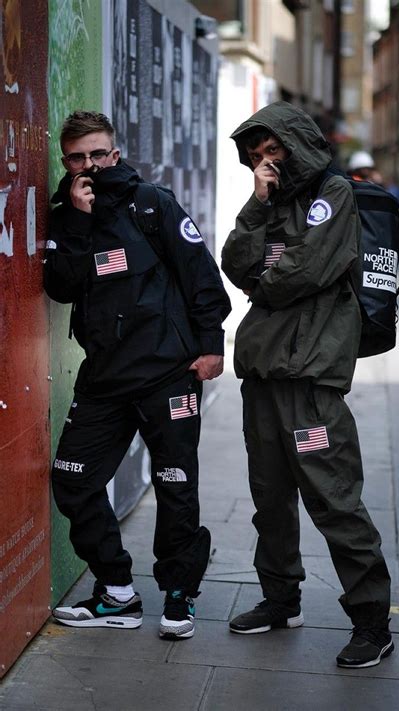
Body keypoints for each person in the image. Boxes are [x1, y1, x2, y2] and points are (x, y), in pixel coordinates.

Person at [44, 111, 231, 639]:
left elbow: (201, 275)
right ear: (66, 161)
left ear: (116, 153)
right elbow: (61, 286)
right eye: (78, 157)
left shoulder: (152, 203)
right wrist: (78, 221)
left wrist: (211, 346)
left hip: (167, 373)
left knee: (174, 483)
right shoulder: (64, 217)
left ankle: (178, 595)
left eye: (98, 154)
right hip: (103, 378)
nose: (90, 165)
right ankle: (118, 593)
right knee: (73, 479)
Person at [221, 101, 393, 669]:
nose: (265, 161)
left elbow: (304, 271)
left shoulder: (334, 195)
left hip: (311, 379)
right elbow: (235, 260)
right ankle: (279, 599)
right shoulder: (271, 201)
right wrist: (259, 203)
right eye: (256, 155)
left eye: (273, 150)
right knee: (270, 497)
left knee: (332, 496)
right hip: (264, 375)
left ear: (296, 143)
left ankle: (371, 622)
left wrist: (267, 276)